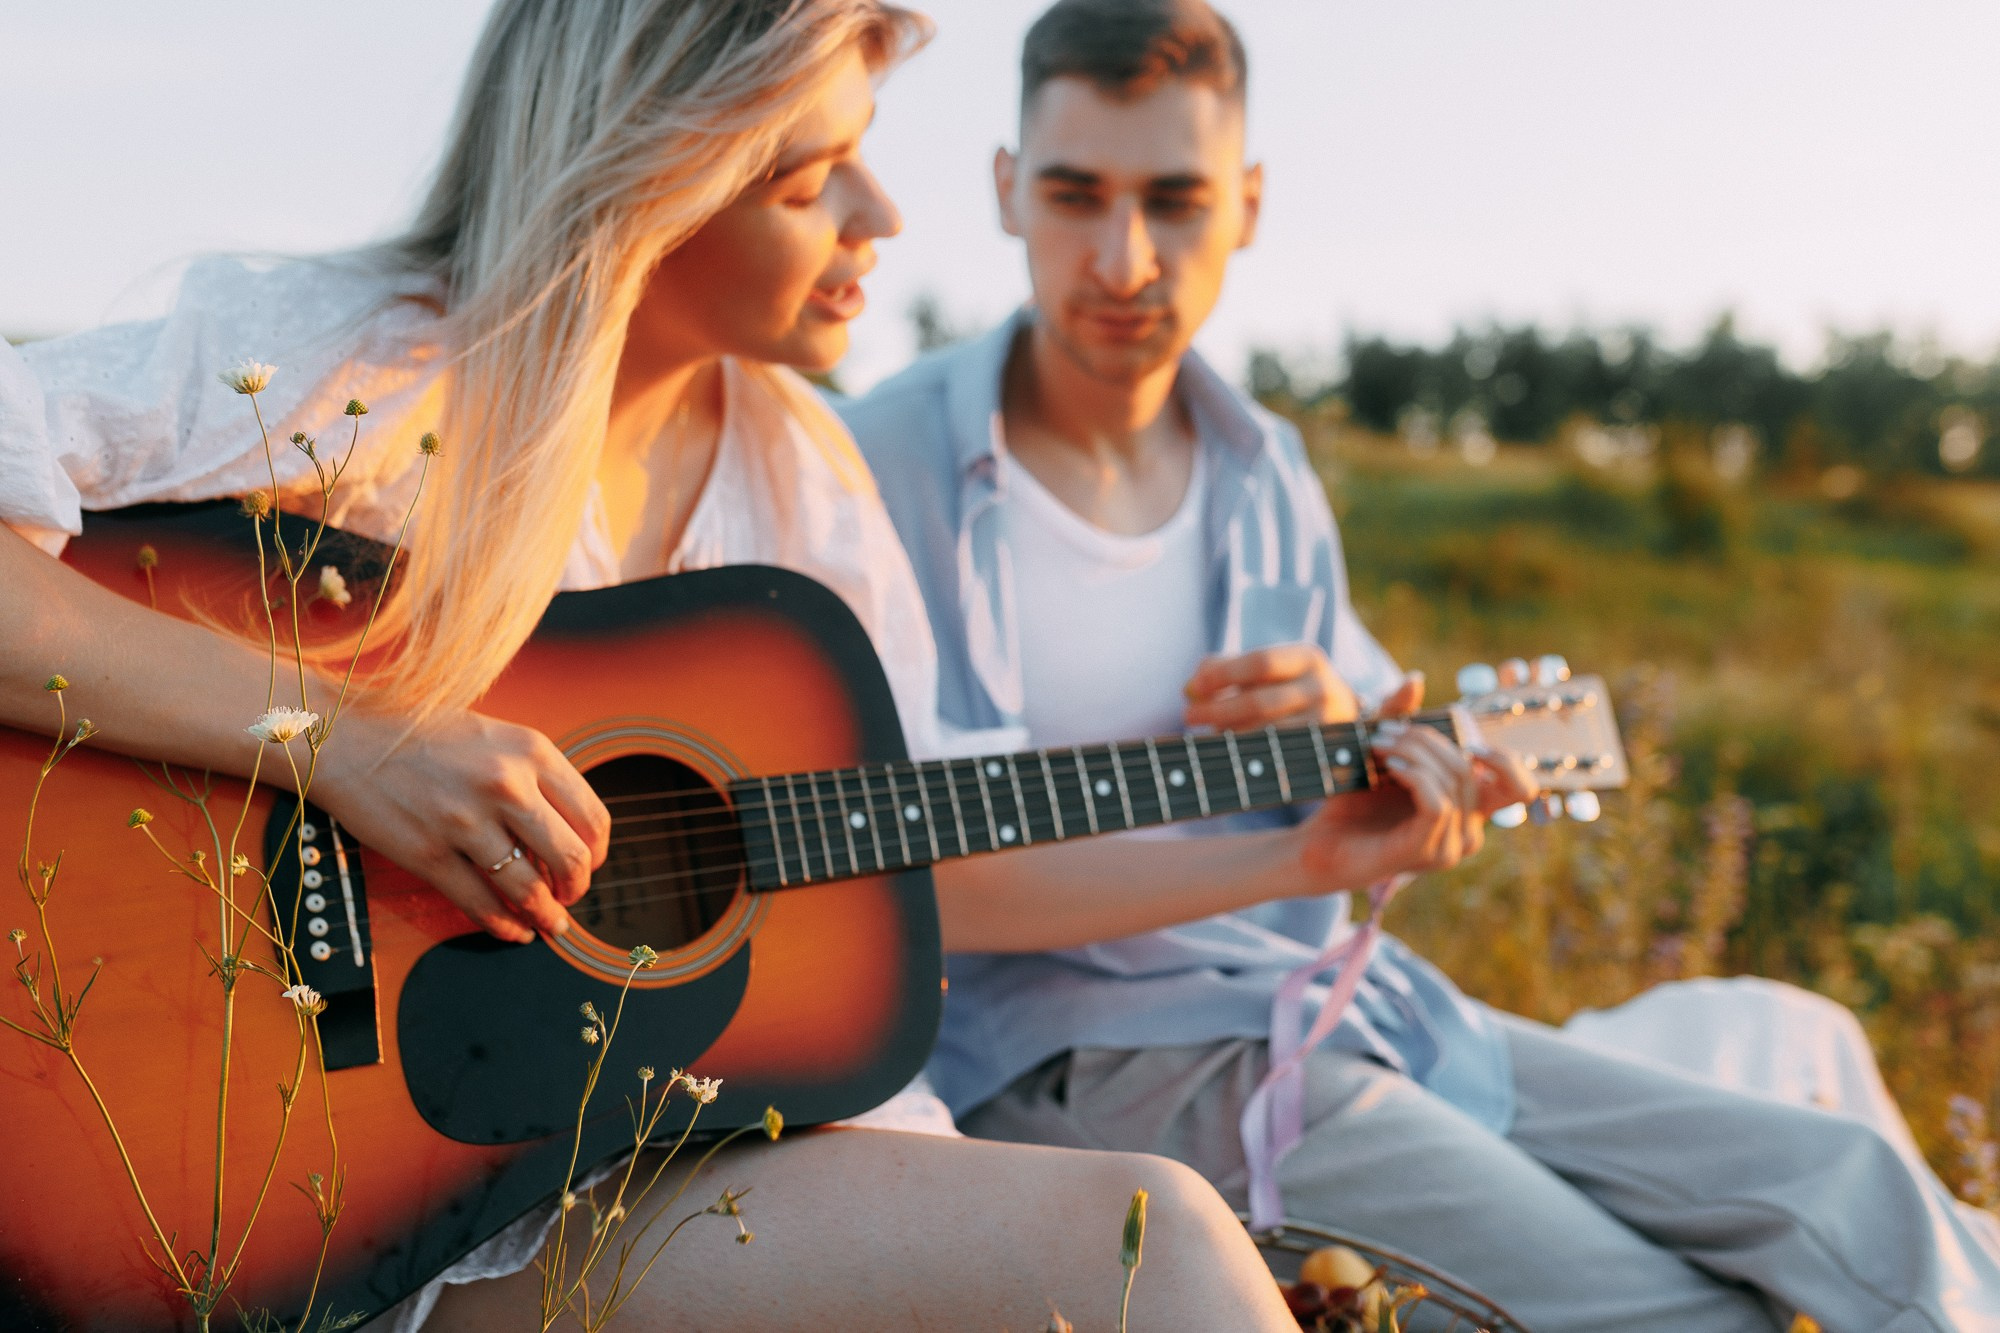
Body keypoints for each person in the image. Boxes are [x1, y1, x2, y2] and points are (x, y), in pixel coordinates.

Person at [0, 2, 1321, 1329]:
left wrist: (1313, 847)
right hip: (364, 1213)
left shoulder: (800, 481)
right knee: (1159, 1248)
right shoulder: (355, 368)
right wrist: (342, 741)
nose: (881, 213)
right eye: (809, 180)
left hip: (669, 1168)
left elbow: (925, 850)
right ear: (651, 181)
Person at [839, 1, 2000, 1330]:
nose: (1124, 257)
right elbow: (920, 878)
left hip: (1337, 1008)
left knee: (1852, 1187)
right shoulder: (879, 469)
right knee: (1675, 1308)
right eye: (1075, 194)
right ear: (1003, 189)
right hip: (1086, 1063)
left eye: (1175, 201)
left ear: (1250, 204)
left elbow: (1376, 738)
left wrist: (1369, 738)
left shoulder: (1266, 472)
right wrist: (1303, 859)